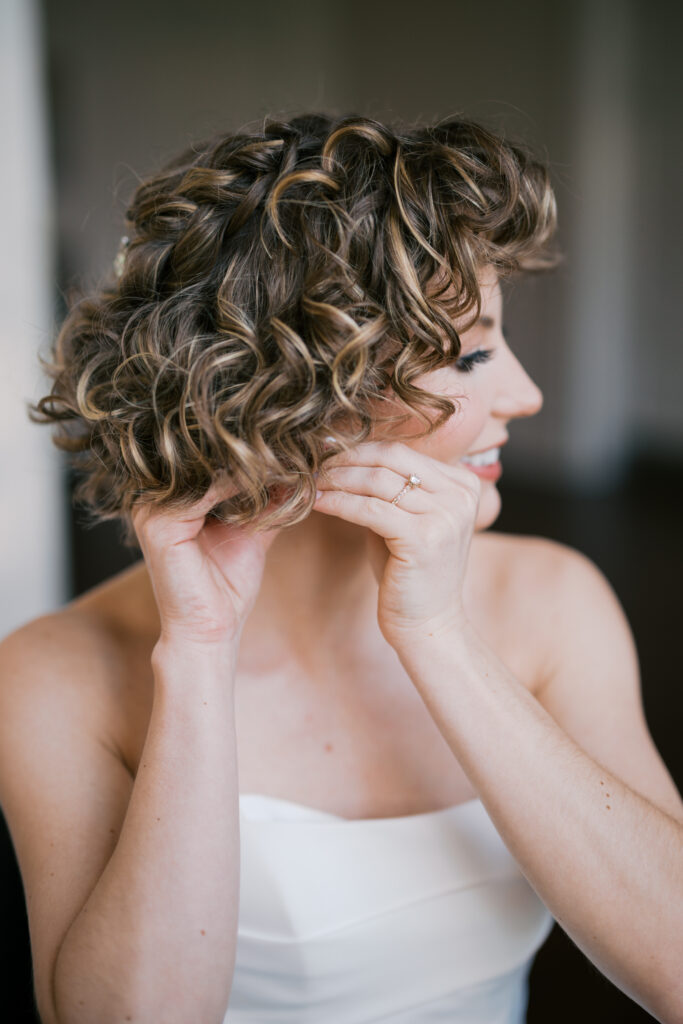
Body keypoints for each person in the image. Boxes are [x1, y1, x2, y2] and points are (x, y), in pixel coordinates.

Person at [0, 112, 681, 1024]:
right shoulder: (52, 677)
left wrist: (436, 635)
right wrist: (198, 653)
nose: (524, 394)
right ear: (297, 399)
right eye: (473, 353)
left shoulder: (556, 601)